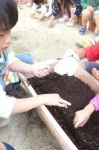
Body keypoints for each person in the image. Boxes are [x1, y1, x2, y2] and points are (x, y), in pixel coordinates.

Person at [0, 0, 71, 149]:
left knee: (25, 58)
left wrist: (31, 69)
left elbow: (10, 60)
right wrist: (44, 98)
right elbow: (5, 106)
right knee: (4, 120)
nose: (9, 39)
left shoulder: (3, 49)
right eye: (1, 34)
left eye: (10, 30)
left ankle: (9, 86)